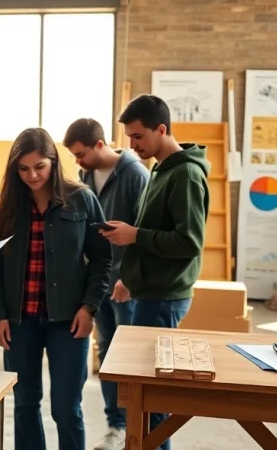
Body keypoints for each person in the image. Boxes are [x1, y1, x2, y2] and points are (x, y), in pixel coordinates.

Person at [0, 128, 112, 450]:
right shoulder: (8, 206)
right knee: (25, 405)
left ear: (54, 162)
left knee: (66, 409)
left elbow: (101, 259)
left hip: (68, 321)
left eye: (40, 167)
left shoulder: (81, 198)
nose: (32, 175)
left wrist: (90, 308)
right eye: (23, 168)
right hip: (19, 322)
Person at [100, 94, 209, 450]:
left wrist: (134, 235)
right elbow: (155, 233)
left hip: (165, 297)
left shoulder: (187, 174)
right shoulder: (160, 169)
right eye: (129, 137)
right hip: (150, 292)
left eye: (138, 137)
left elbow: (188, 241)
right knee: (144, 395)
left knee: (153, 397)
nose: (132, 145)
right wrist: (131, 278)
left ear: (161, 129)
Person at [63, 118, 150, 450]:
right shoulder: (86, 176)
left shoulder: (135, 175)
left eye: (81, 154)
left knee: (129, 361)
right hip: (99, 284)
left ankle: (133, 428)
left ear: (100, 145)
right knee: (108, 356)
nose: (78, 162)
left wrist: (128, 277)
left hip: (126, 285)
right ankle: (116, 427)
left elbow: (144, 229)